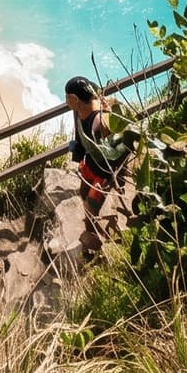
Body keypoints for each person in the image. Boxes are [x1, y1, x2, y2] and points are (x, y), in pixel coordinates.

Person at [65, 76, 129, 251]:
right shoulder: (78, 112)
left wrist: (117, 176)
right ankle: (92, 236)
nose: (65, 101)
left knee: (90, 208)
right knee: (83, 195)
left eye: (67, 97)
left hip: (104, 173)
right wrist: (78, 159)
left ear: (75, 99)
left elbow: (123, 148)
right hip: (90, 165)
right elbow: (79, 135)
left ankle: (94, 246)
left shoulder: (102, 121)